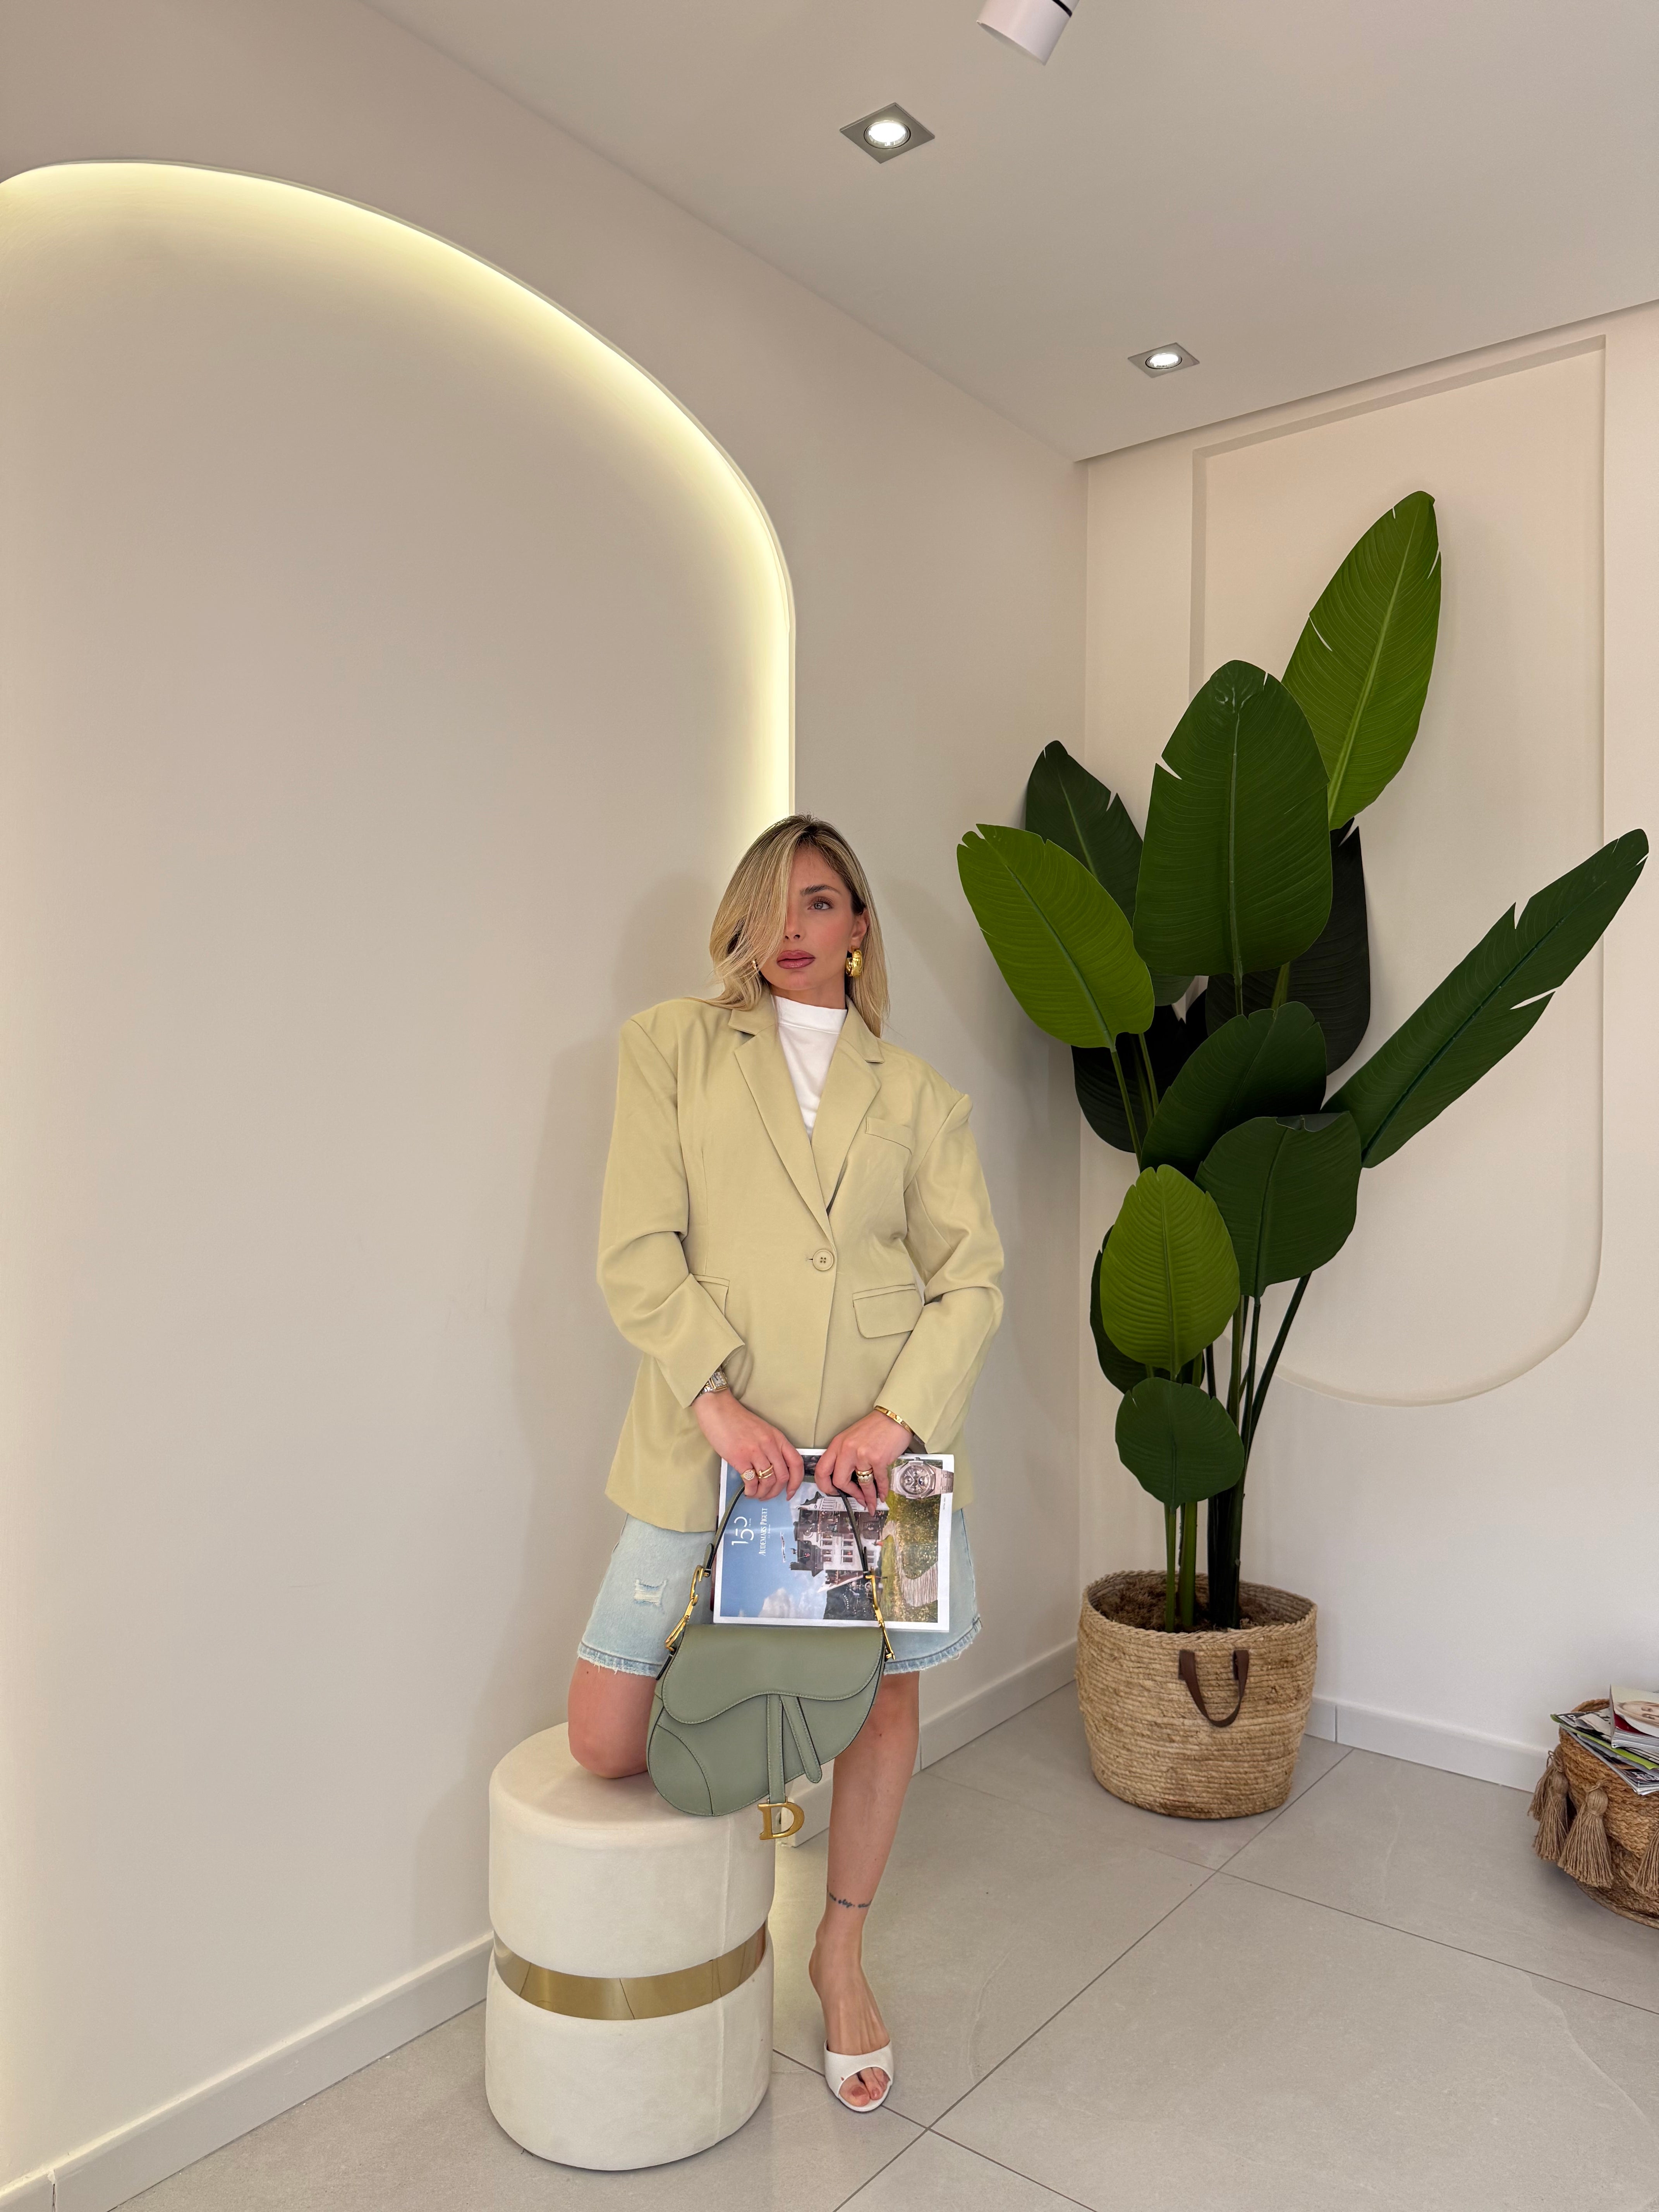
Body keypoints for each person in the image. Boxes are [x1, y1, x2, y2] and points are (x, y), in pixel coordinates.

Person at [566, 814, 1004, 2114]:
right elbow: (636, 1250)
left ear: (859, 925)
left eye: (818, 902)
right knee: (604, 1739)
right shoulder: (670, 1047)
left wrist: (898, 1420)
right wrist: (712, 1399)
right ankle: (743, 1814)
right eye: (768, 905)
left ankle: (838, 1951)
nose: (791, 929)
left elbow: (969, 1282)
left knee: (884, 1700)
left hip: (882, 1459)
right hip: (714, 1442)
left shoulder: (918, 1093)